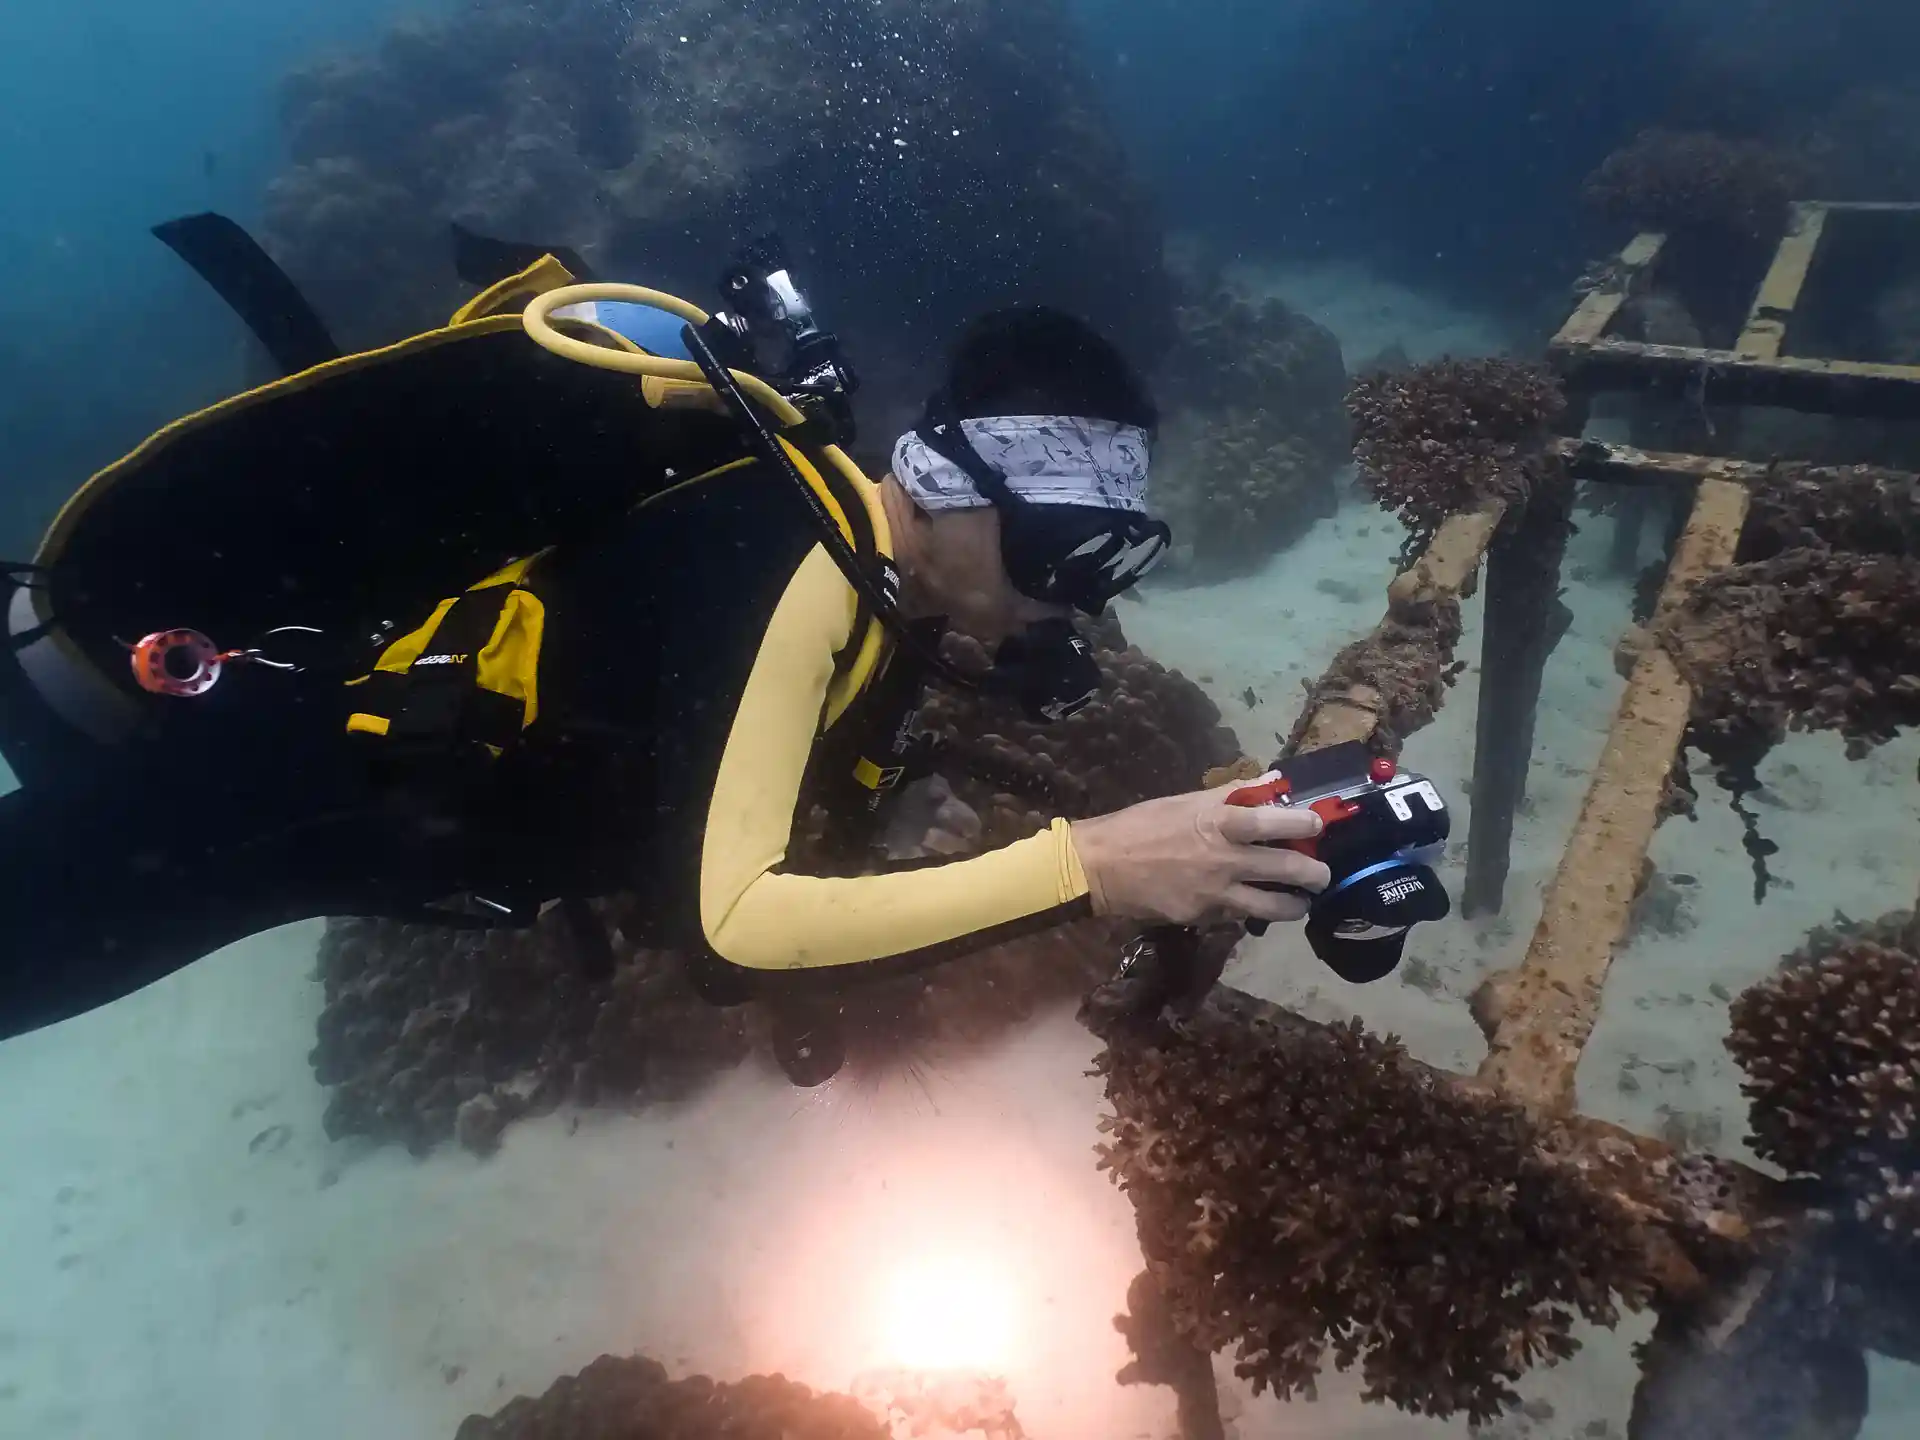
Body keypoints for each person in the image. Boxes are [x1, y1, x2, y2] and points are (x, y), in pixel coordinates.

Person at [0, 217, 1328, 1070]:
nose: (1076, 606)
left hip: (283, 800)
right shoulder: (799, 561)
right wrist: (1094, 865)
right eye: (1060, 555)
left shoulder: (850, 579)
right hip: (226, 788)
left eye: (1108, 563)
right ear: (944, 491)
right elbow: (733, 928)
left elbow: (684, 762)